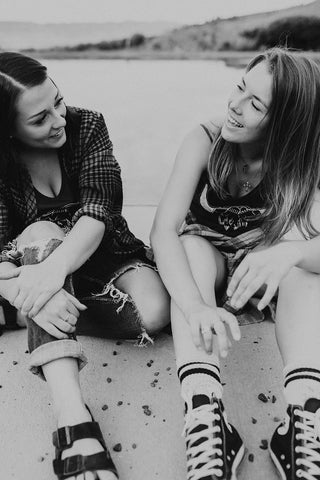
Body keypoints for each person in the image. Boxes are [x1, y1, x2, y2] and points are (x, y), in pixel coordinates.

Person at [151, 47, 320, 480]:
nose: (235, 104)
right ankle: (205, 413)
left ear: (286, 123)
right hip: (207, 272)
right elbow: (163, 231)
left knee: (305, 262)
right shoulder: (206, 140)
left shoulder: (304, 163)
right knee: (189, 246)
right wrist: (194, 307)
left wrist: (291, 251)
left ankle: (305, 415)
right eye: (240, 87)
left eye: (255, 104)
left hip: (261, 279)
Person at [0, 51, 169, 480]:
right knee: (40, 233)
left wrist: (48, 282)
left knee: (153, 311)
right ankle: (74, 421)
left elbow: (98, 212)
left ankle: (28, 311)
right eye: (39, 118)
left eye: (58, 101)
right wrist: (29, 279)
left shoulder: (86, 124)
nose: (58, 118)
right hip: (27, 261)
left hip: (105, 256)